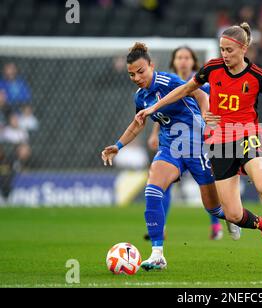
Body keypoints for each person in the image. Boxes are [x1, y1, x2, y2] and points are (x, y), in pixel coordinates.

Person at [135, 23, 262, 270]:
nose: (225, 55)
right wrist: (154, 108)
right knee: (232, 214)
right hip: (220, 145)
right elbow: (186, 89)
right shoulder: (212, 68)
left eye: (229, 50)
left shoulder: (259, 77)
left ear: (244, 48)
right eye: (222, 50)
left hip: (247, 138)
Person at [101, 42, 240, 271]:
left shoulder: (170, 82)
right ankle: (157, 254)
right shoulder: (140, 97)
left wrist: (206, 118)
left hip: (196, 146)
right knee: (152, 189)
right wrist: (118, 145)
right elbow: (138, 125)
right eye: (131, 74)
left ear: (151, 66)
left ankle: (233, 218)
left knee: (213, 209)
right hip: (170, 149)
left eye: (140, 71)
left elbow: (202, 97)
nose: (136, 77)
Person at [145, 46, 225, 241]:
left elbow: (211, 106)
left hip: (199, 143)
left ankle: (219, 223)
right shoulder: (167, 85)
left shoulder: (201, 84)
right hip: (173, 144)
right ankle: (160, 227)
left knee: (207, 186)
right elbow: (163, 114)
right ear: (173, 61)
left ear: (193, 62)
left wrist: (212, 128)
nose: (182, 61)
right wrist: (155, 133)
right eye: (179, 57)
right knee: (164, 184)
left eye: (186, 57)